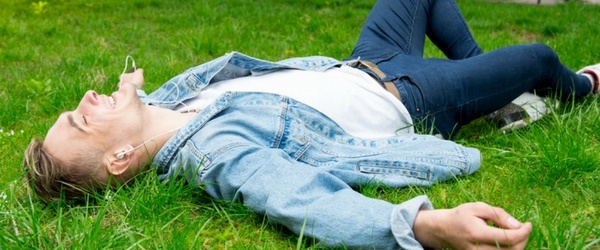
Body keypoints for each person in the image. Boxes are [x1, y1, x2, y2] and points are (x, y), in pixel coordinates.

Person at [23, 0, 600, 248]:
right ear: (120, 160)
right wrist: (423, 226)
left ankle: (490, 90)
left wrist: (127, 93)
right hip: (410, 98)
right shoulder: (215, 154)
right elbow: (301, 199)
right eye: (82, 116)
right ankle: (584, 87)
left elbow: (132, 95)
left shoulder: (170, 105)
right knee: (543, 59)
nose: (89, 96)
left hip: (365, 60)